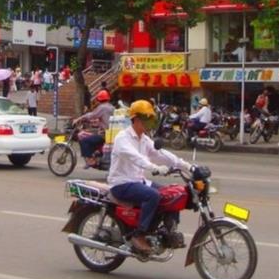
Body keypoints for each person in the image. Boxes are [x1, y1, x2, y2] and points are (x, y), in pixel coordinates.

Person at [108, 100, 192, 254]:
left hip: (139, 182)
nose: (149, 123)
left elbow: (161, 154)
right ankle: (139, 235)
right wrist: (155, 168)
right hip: (121, 184)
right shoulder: (122, 138)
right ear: (136, 119)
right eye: (146, 119)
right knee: (153, 195)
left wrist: (186, 166)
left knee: (173, 194)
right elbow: (136, 158)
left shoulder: (144, 139)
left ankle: (168, 230)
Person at [73, 90, 115, 168]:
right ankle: (96, 154)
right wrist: (95, 122)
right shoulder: (111, 107)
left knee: (84, 140)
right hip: (111, 134)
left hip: (104, 135)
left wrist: (79, 119)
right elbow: (105, 120)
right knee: (92, 136)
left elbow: (92, 115)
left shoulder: (102, 107)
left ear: (99, 99)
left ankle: (90, 160)